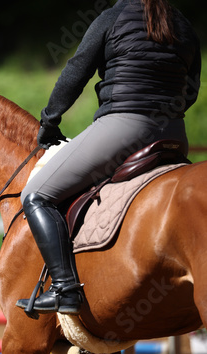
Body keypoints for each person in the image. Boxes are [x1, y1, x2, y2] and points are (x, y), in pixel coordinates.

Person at [16, 0, 201, 315]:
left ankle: (65, 290)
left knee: (36, 195)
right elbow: (193, 88)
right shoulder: (182, 25)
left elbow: (77, 71)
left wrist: (50, 121)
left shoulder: (113, 17)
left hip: (122, 129)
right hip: (173, 134)